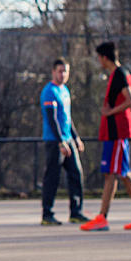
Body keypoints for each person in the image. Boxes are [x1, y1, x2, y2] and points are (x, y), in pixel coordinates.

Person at [80, 42, 131, 232]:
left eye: (99, 58)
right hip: (113, 132)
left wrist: (111, 111)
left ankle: (102, 217)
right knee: (123, 173)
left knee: (110, 175)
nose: (99, 61)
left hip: (117, 132)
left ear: (104, 57)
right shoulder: (116, 75)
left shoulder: (120, 74)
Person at [39, 58, 88, 226]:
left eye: (65, 71)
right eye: (60, 71)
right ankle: (47, 214)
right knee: (52, 178)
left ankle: (76, 212)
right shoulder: (49, 91)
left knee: (76, 174)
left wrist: (76, 137)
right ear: (53, 72)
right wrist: (60, 142)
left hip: (68, 140)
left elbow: (67, 118)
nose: (63, 74)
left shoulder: (65, 91)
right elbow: (52, 120)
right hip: (55, 142)